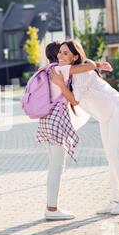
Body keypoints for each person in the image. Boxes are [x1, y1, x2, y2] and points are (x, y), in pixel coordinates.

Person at [50, 40, 119, 215]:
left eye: (66, 53)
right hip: (106, 117)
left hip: (118, 109)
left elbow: (74, 100)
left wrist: (59, 84)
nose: (60, 55)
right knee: (110, 157)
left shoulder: (80, 73)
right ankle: (115, 199)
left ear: (75, 56)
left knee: (114, 155)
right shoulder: (74, 72)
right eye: (60, 52)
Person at [38, 41, 111, 221]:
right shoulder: (60, 70)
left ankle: (51, 206)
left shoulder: (48, 69)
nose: (63, 56)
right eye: (61, 53)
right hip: (57, 118)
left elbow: (80, 67)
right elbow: (86, 66)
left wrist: (98, 65)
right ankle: (52, 208)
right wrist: (96, 64)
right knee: (57, 166)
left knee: (54, 164)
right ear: (56, 56)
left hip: (47, 118)